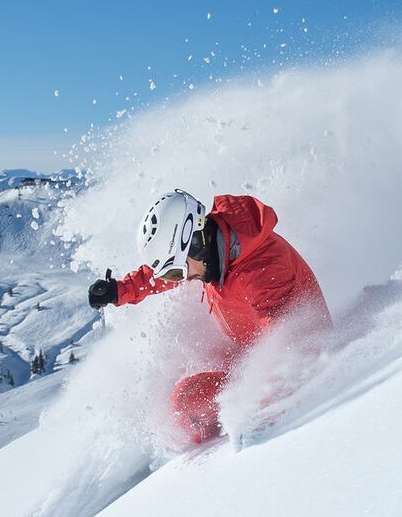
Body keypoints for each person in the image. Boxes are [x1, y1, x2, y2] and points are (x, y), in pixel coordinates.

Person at [87, 189, 330, 444]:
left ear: (194, 244)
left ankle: (210, 463)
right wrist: (120, 290)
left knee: (185, 400)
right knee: (181, 397)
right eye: (172, 275)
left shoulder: (263, 267)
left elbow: (290, 343)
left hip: (299, 369)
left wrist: (254, 410)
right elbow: (156, 274)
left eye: (176, 273)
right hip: (252, 355)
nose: (179, 280)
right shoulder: (216, 250)